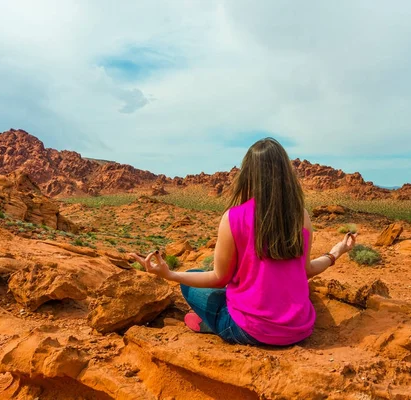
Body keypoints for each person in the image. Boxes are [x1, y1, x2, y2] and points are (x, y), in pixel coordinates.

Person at [130, 138, 356, 346]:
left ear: (248, 174)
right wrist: (336, 252)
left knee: (191, 282)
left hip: (250, 332)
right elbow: (306, 270)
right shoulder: (301, 215)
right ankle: (217, 321)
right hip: (299, 331)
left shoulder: (233, 217)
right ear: (286, 174)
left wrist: (170, 275)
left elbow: (220, 278)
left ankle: (215, 324)